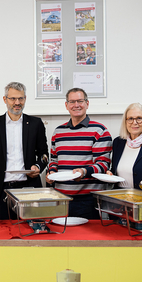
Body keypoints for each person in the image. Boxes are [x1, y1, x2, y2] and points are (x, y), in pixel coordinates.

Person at [0, 82, 49, 219]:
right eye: (13, 98)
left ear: (25, 99)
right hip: (1, 190)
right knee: (2, 233)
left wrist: (38, 166)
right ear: (5, 99)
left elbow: (44, 154)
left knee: (31, 231)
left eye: (21, 98)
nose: (17, 102)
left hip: (29, 189)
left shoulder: (36, 124)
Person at [46, 88, 112, 219]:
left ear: (87, 103)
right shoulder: (58, 132)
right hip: (61, 199)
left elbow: (103, 165)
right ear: (66, 105)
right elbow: (54, 161)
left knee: (87, 239)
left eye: (80, 101)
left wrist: (83, 172)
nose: (76, 105)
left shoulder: (100, 131)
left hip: (88, 200)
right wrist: (51, 172)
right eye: (72, 101)